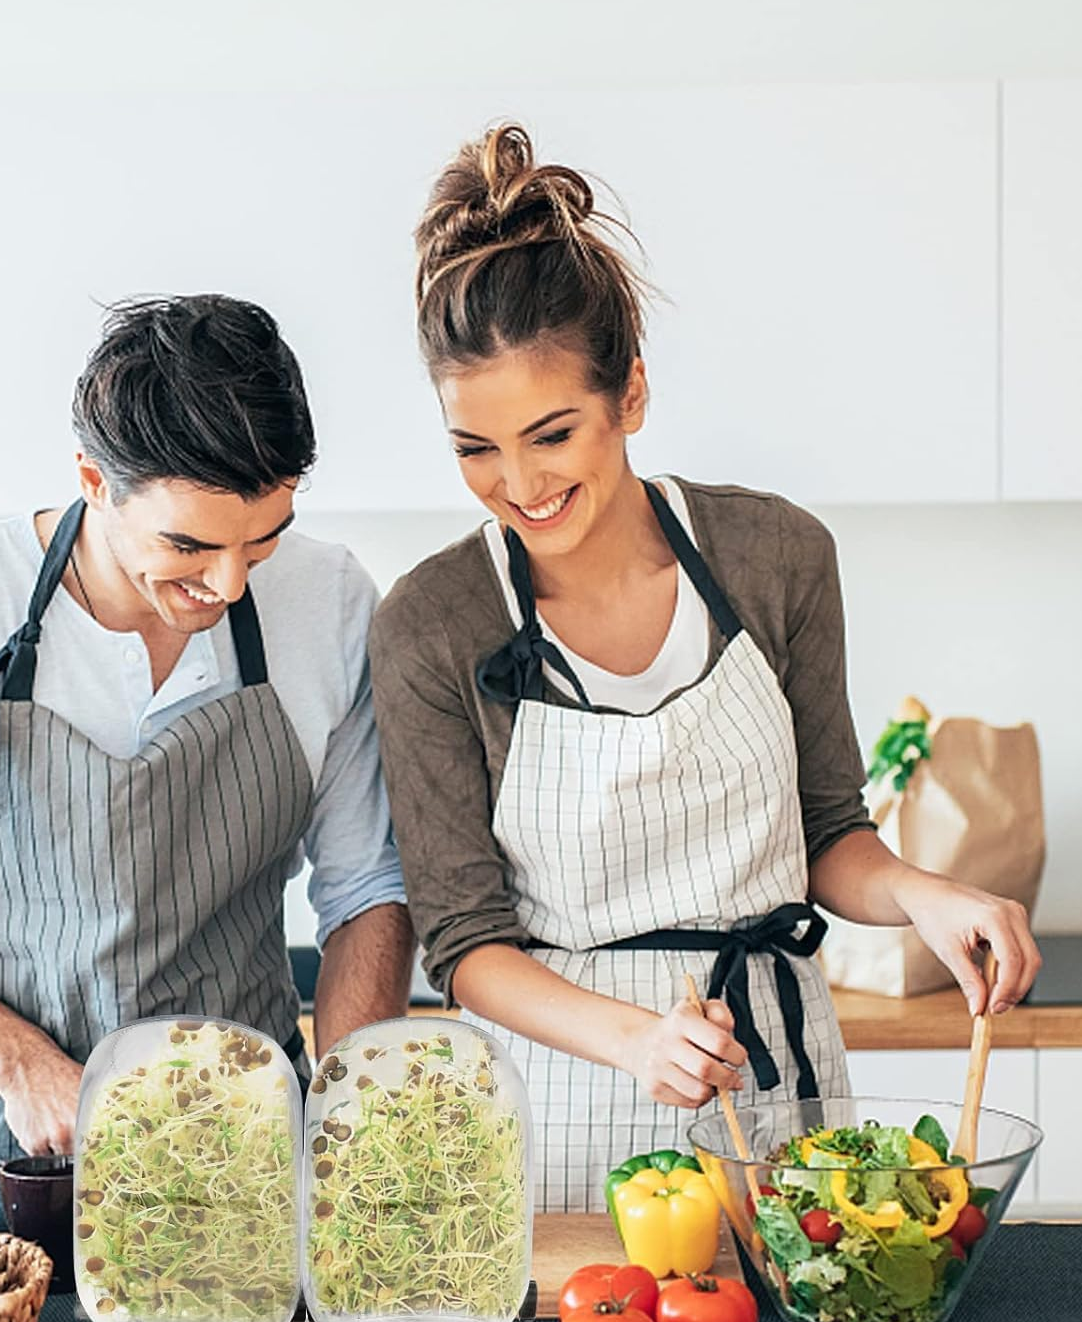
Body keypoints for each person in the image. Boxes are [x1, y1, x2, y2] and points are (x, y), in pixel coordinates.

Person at [368, 125, 1041, 1213]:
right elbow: (465, 945)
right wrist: (635, 1040)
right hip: (561, 1114)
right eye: (474, 448)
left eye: (552, 434)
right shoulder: (431, 625)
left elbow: (830, 834)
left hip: (779, 1085)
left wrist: (920, 891)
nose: (518, 483)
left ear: (630, 395)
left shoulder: (775, 559)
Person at [0, 294, 413, 1206]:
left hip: (263, 1158)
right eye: (188, 545)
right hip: (35, 1158)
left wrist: (347, 1120)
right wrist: (24, 1067)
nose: (227, 584)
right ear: (92, 480)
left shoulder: (332, 600)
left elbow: (366, 890)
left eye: (261, 542)